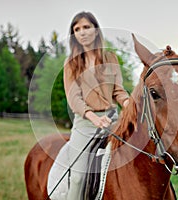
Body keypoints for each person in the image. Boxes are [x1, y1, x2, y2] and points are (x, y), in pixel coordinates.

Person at [47, 11, 129, 200]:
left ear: (96, 30)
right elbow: (74, 98)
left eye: (86, 27)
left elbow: (118, 91)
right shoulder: (72, 63)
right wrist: (94, 117)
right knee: (77, 176)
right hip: (86, 123)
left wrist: (128, 103)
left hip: (113, 120)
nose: (82, 32)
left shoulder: (110, 58)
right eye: (77, 29)